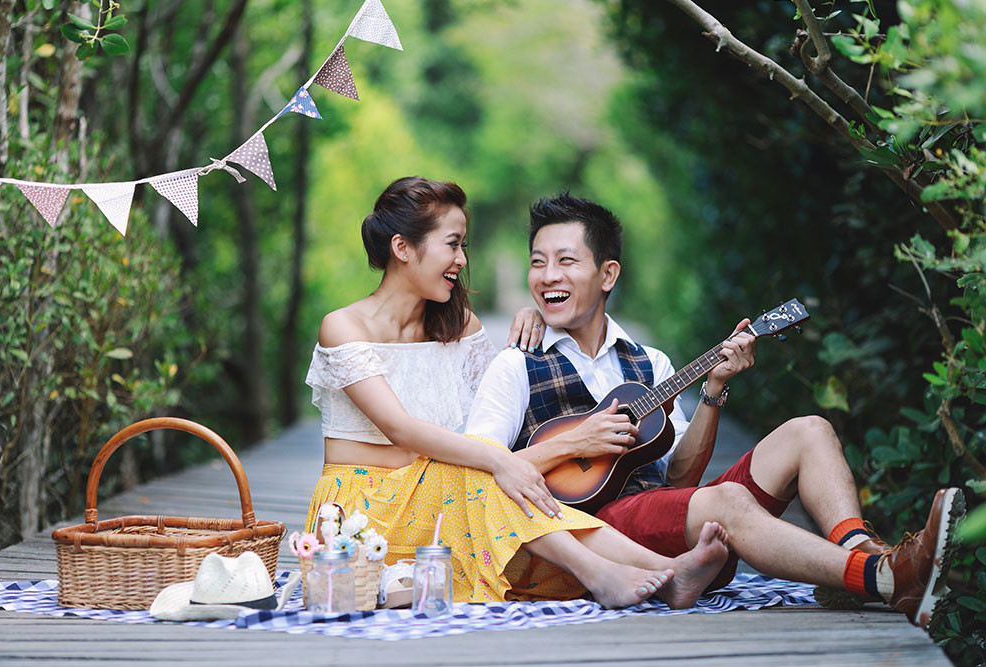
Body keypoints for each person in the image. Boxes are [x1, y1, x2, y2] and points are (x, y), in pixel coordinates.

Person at [465, 192, 964, 629]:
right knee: (723, 502)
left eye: (566, 261)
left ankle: (859, 556)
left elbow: (680, 475)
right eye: (538, 261)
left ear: (608, 273)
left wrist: (713, 391)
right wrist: (579, 442)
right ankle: (884, 576)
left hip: (673, 524)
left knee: (810, 430)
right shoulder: (516, 363)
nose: (548, 276)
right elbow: (477, 471)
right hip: (600, 533)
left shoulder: (648, 362)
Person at [304, 176, 732, 609]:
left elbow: (493, 410)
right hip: (362, 509)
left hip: (440, 502)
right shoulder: (344, 326)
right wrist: (499, 460)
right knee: (486, 466)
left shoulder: (461, 327)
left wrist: (540, 316)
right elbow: (400, 429)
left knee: (490, 474)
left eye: (463, 246)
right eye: (452, 244)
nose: (460, 259)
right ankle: (624, 574)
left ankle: (662, 571)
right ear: (403, 248)